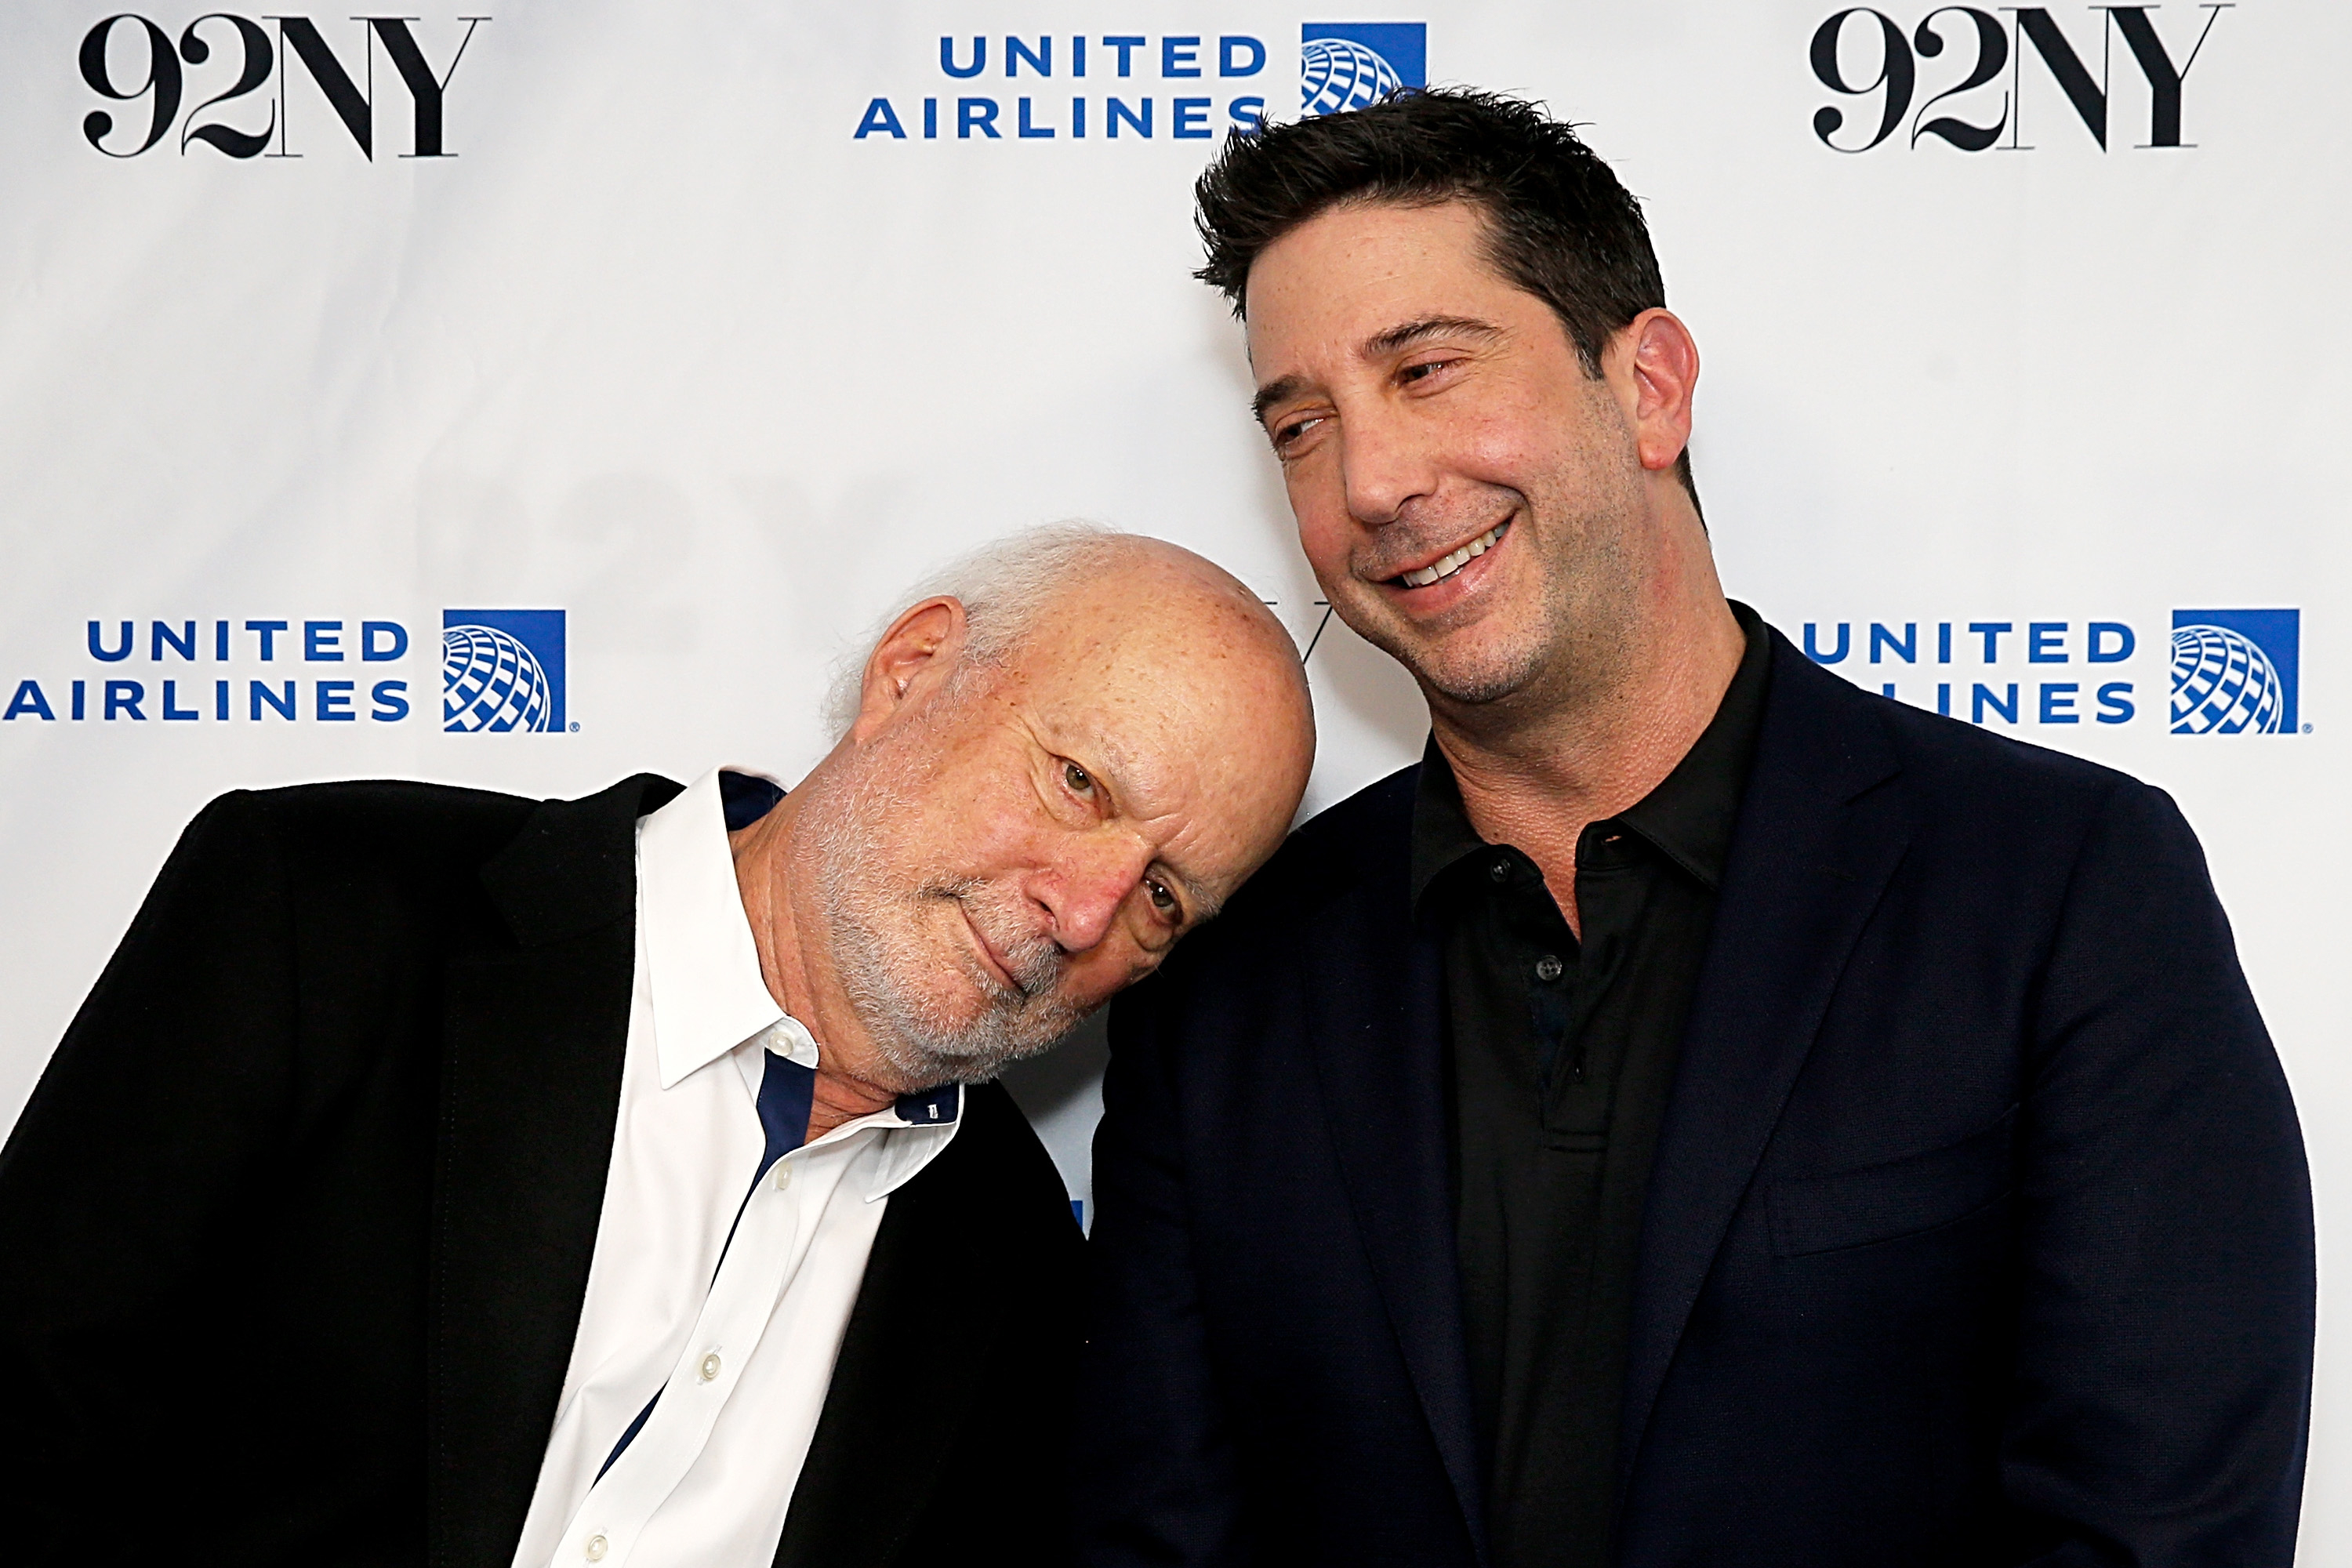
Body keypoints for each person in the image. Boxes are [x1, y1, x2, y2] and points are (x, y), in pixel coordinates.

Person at [1075, 91, 2314, 1568]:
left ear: (1650, 386)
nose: (1372, 483)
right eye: (1302, 424)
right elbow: (1152, 1542)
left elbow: (2161, 1530)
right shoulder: (1231, 988)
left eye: (1427, 370)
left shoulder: (2058, 890)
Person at [0, 525, 1315, 1568]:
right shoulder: (327, 913)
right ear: (912, 670)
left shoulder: (1025, 1264)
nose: (1083, 910)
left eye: (1162, 899)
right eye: (1079, 784)